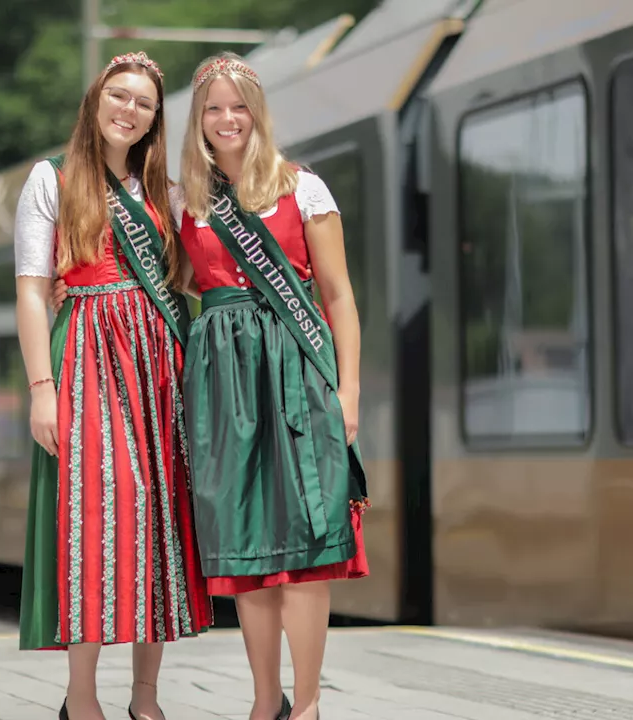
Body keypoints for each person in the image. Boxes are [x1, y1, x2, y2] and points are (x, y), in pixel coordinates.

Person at [15, 51, 213, 720]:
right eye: (120, 96)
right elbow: (33, 293)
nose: (130, 110)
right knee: (100, 517)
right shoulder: (53, 178)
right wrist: (42, 387)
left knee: (156, 516)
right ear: (96, 101)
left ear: (156, 119)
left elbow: (191, 280)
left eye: (145, 104)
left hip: (157, 370)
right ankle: (80, 698)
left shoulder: (163, 193)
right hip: (86, 359)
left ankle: (146, 698)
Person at [179, 50, 369, 720]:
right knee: (245, 548)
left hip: (296, 376)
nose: (227, 120)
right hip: (223, 390)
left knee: (307, 547)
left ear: (257, 115)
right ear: (198, 121)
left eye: (239, 107)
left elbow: (340, 298)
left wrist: (347, 393)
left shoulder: (303, 189)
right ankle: (267, 702)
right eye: (214, 109)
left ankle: (309, 704)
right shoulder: (186, 203)